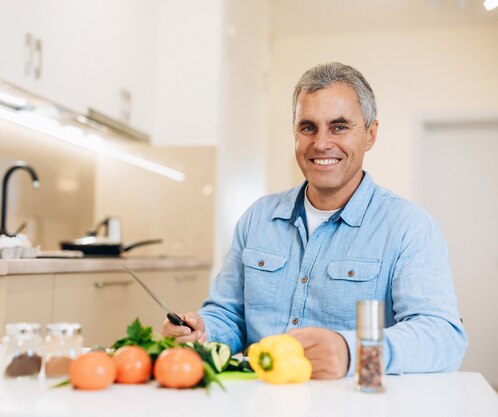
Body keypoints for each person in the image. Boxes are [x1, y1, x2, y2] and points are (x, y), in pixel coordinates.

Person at [162, 62, 467, 379]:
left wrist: (353, 352)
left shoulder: (409, 226)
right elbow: (229, 314)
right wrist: (203, 329)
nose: (321, 143)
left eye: (339, 127)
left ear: (371, 134)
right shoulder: (258, 218)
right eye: (308, 127)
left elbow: (444, 336)